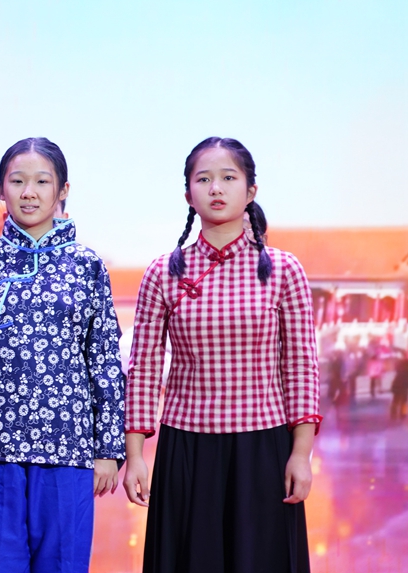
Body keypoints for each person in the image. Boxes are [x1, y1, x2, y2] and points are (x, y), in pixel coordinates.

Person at [122, 137, 322, 573]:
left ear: (250, 191)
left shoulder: (284, 270)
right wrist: (135, 455)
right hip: (186, 445)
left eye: (229, 178)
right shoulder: (162, 272)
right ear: (188, 195)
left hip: (263, 446)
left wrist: (301, 454)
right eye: (204, 179)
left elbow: (301, 366)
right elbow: (143, 369)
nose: (216, 188)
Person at [0, 137, 126, 573]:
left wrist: (107, 448)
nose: (29, 192)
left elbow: (104, 361)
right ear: (1, 189)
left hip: (68, 447)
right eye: (17, 181)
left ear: (63, 190)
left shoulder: (87, 265)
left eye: (42, 181)